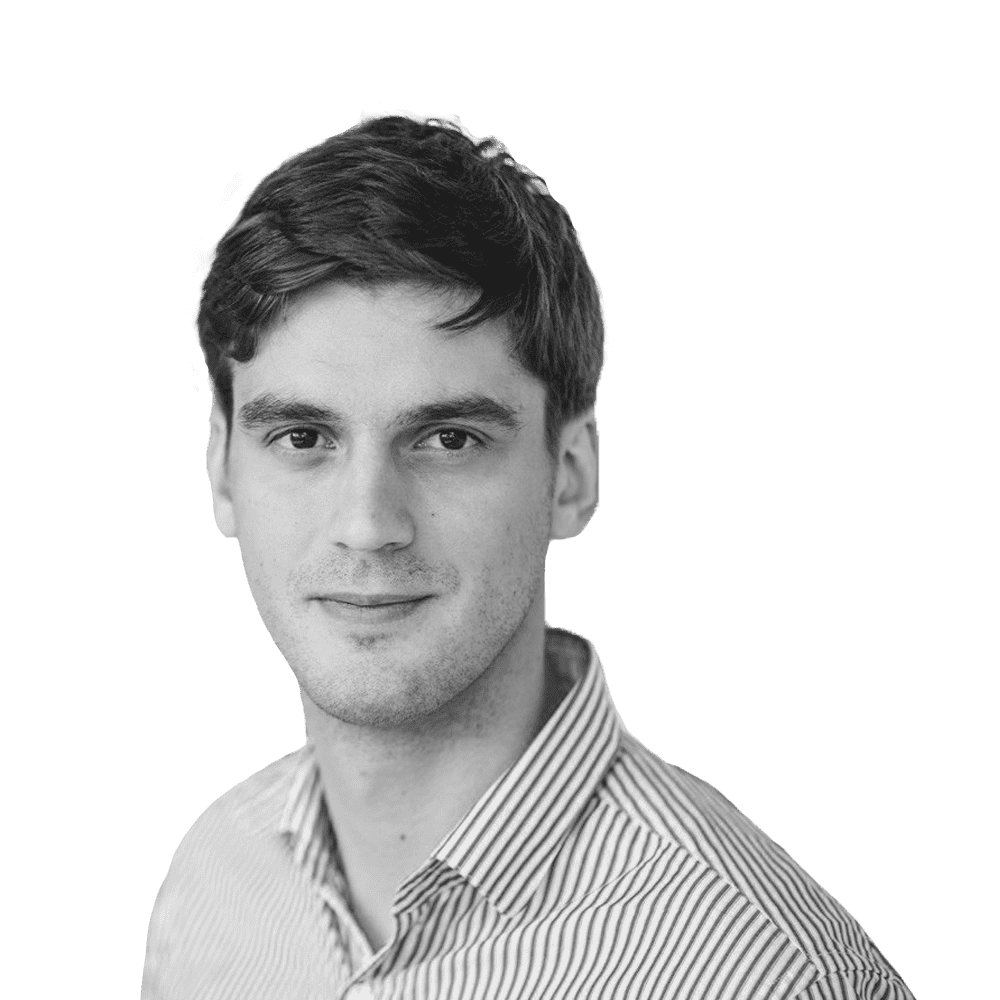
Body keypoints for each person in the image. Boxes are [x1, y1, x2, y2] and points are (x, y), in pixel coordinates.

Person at [142, 113, 915, 1000]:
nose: (368, 524)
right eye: (303, 436)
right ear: (222, 470)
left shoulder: (764, 975)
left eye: (449, 439)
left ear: (571, 476)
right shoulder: (215, 876)